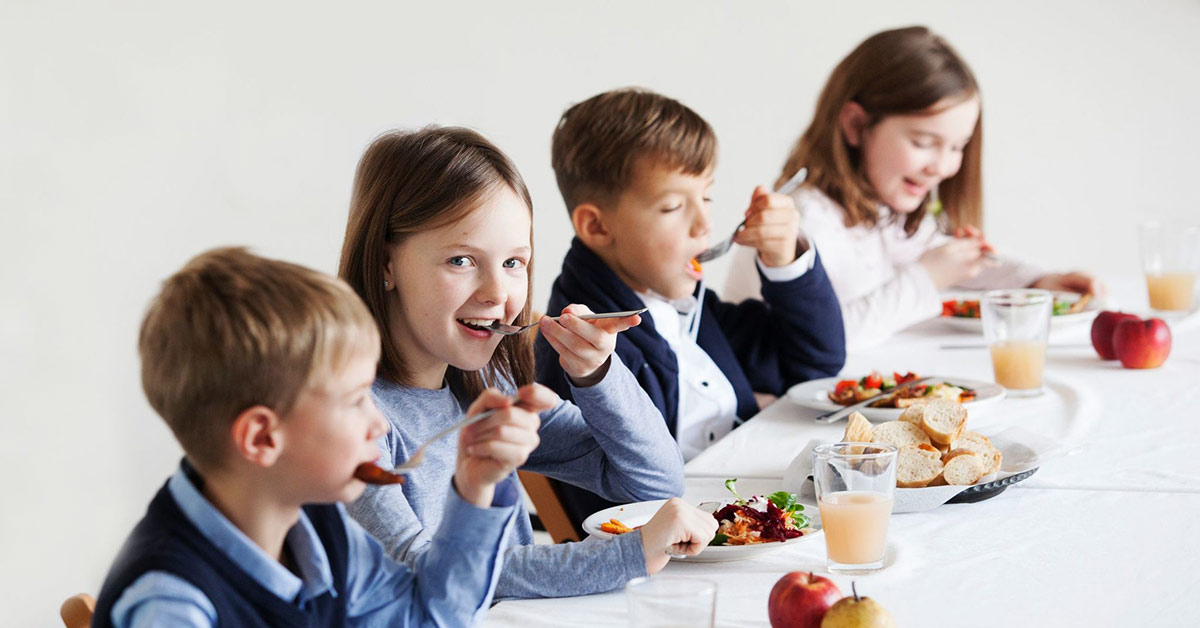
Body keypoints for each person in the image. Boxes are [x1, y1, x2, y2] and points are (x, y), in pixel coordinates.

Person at [339, 126, 716, 600]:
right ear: (384, 265)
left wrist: (597, 375)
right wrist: (631, 553)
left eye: (514, 262)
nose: (499, 294)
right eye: (460, 260)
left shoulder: (486, 387)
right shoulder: (353, 420)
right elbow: (426, 572)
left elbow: (655, 481)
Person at [92, 247, 538, 627]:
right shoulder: (170, 602)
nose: (380, 424)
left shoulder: (323, 532)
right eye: (354, 400)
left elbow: (426, 617)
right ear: (263, 438)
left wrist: (476, 487)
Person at [537, 88, 845, 518]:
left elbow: (812, 367)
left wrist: (787, 261)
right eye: (673, 207)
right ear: (597, 226)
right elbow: (627, 505)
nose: (705, 225)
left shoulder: (685, 308)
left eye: (706, 197)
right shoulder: (585, 349)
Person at [722, 26, 1102, 349]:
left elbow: (945, 256)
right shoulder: (805, 222)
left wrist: (1036, 281)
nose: (943, 166)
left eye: (957, 147)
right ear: (856, 126)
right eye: (923, 142)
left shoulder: (884, 210)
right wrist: (926, 278)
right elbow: (826, 340)